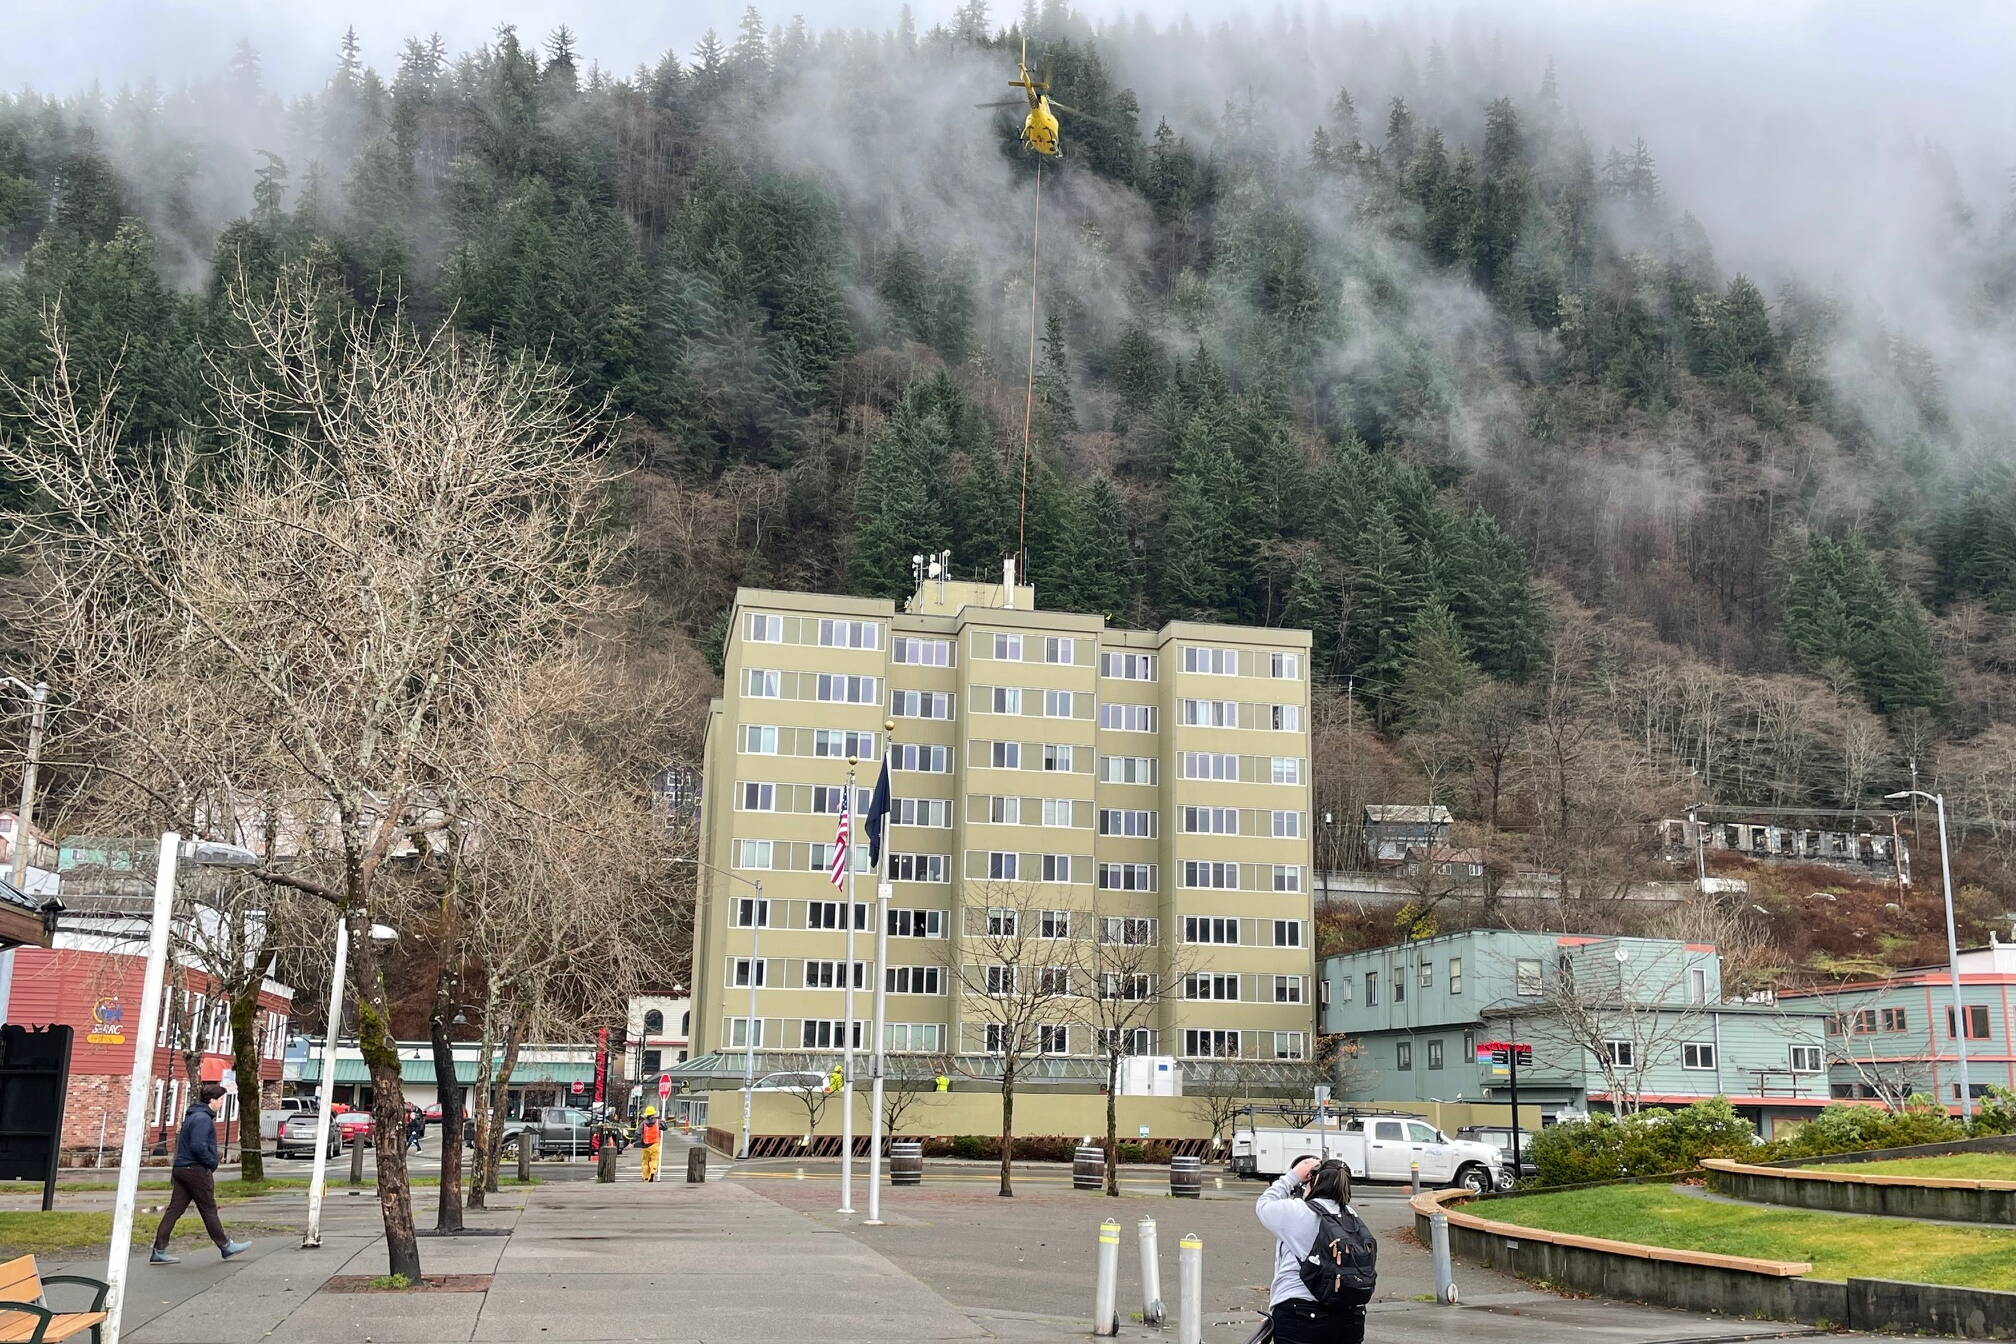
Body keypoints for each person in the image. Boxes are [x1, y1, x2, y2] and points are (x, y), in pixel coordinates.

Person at [1255, 1156, 1376, 1343]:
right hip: (1350, 1317)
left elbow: (1264, 1205)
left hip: (1301, 1315)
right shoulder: (1351, 1216)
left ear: (1314, 1180)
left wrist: (1293, 1176)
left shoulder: (1299, 1212)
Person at [150, 1083, 251, 1264]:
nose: (221, 1103)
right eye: (220, 1100)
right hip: (195, 1169)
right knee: (208, 1209)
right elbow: (198, 1145)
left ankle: (159, 1249)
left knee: (175, 1210)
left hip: (182, 1168)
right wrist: (211, 1162)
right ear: (212, 1100)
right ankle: (225, 1245)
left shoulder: (193, 1116)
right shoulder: (202, 1119)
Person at [638, 1106, 662, 1182]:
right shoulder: (658, 1122)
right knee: (654, 1160)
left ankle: (645, 1177)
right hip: (655, 1144)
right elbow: (665, 1127)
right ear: (653, 1114)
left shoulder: (643, 1123)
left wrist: (633, 1142)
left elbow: (638, 1132)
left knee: (645, 1161)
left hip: (645, 1144)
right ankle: (652, 1172)